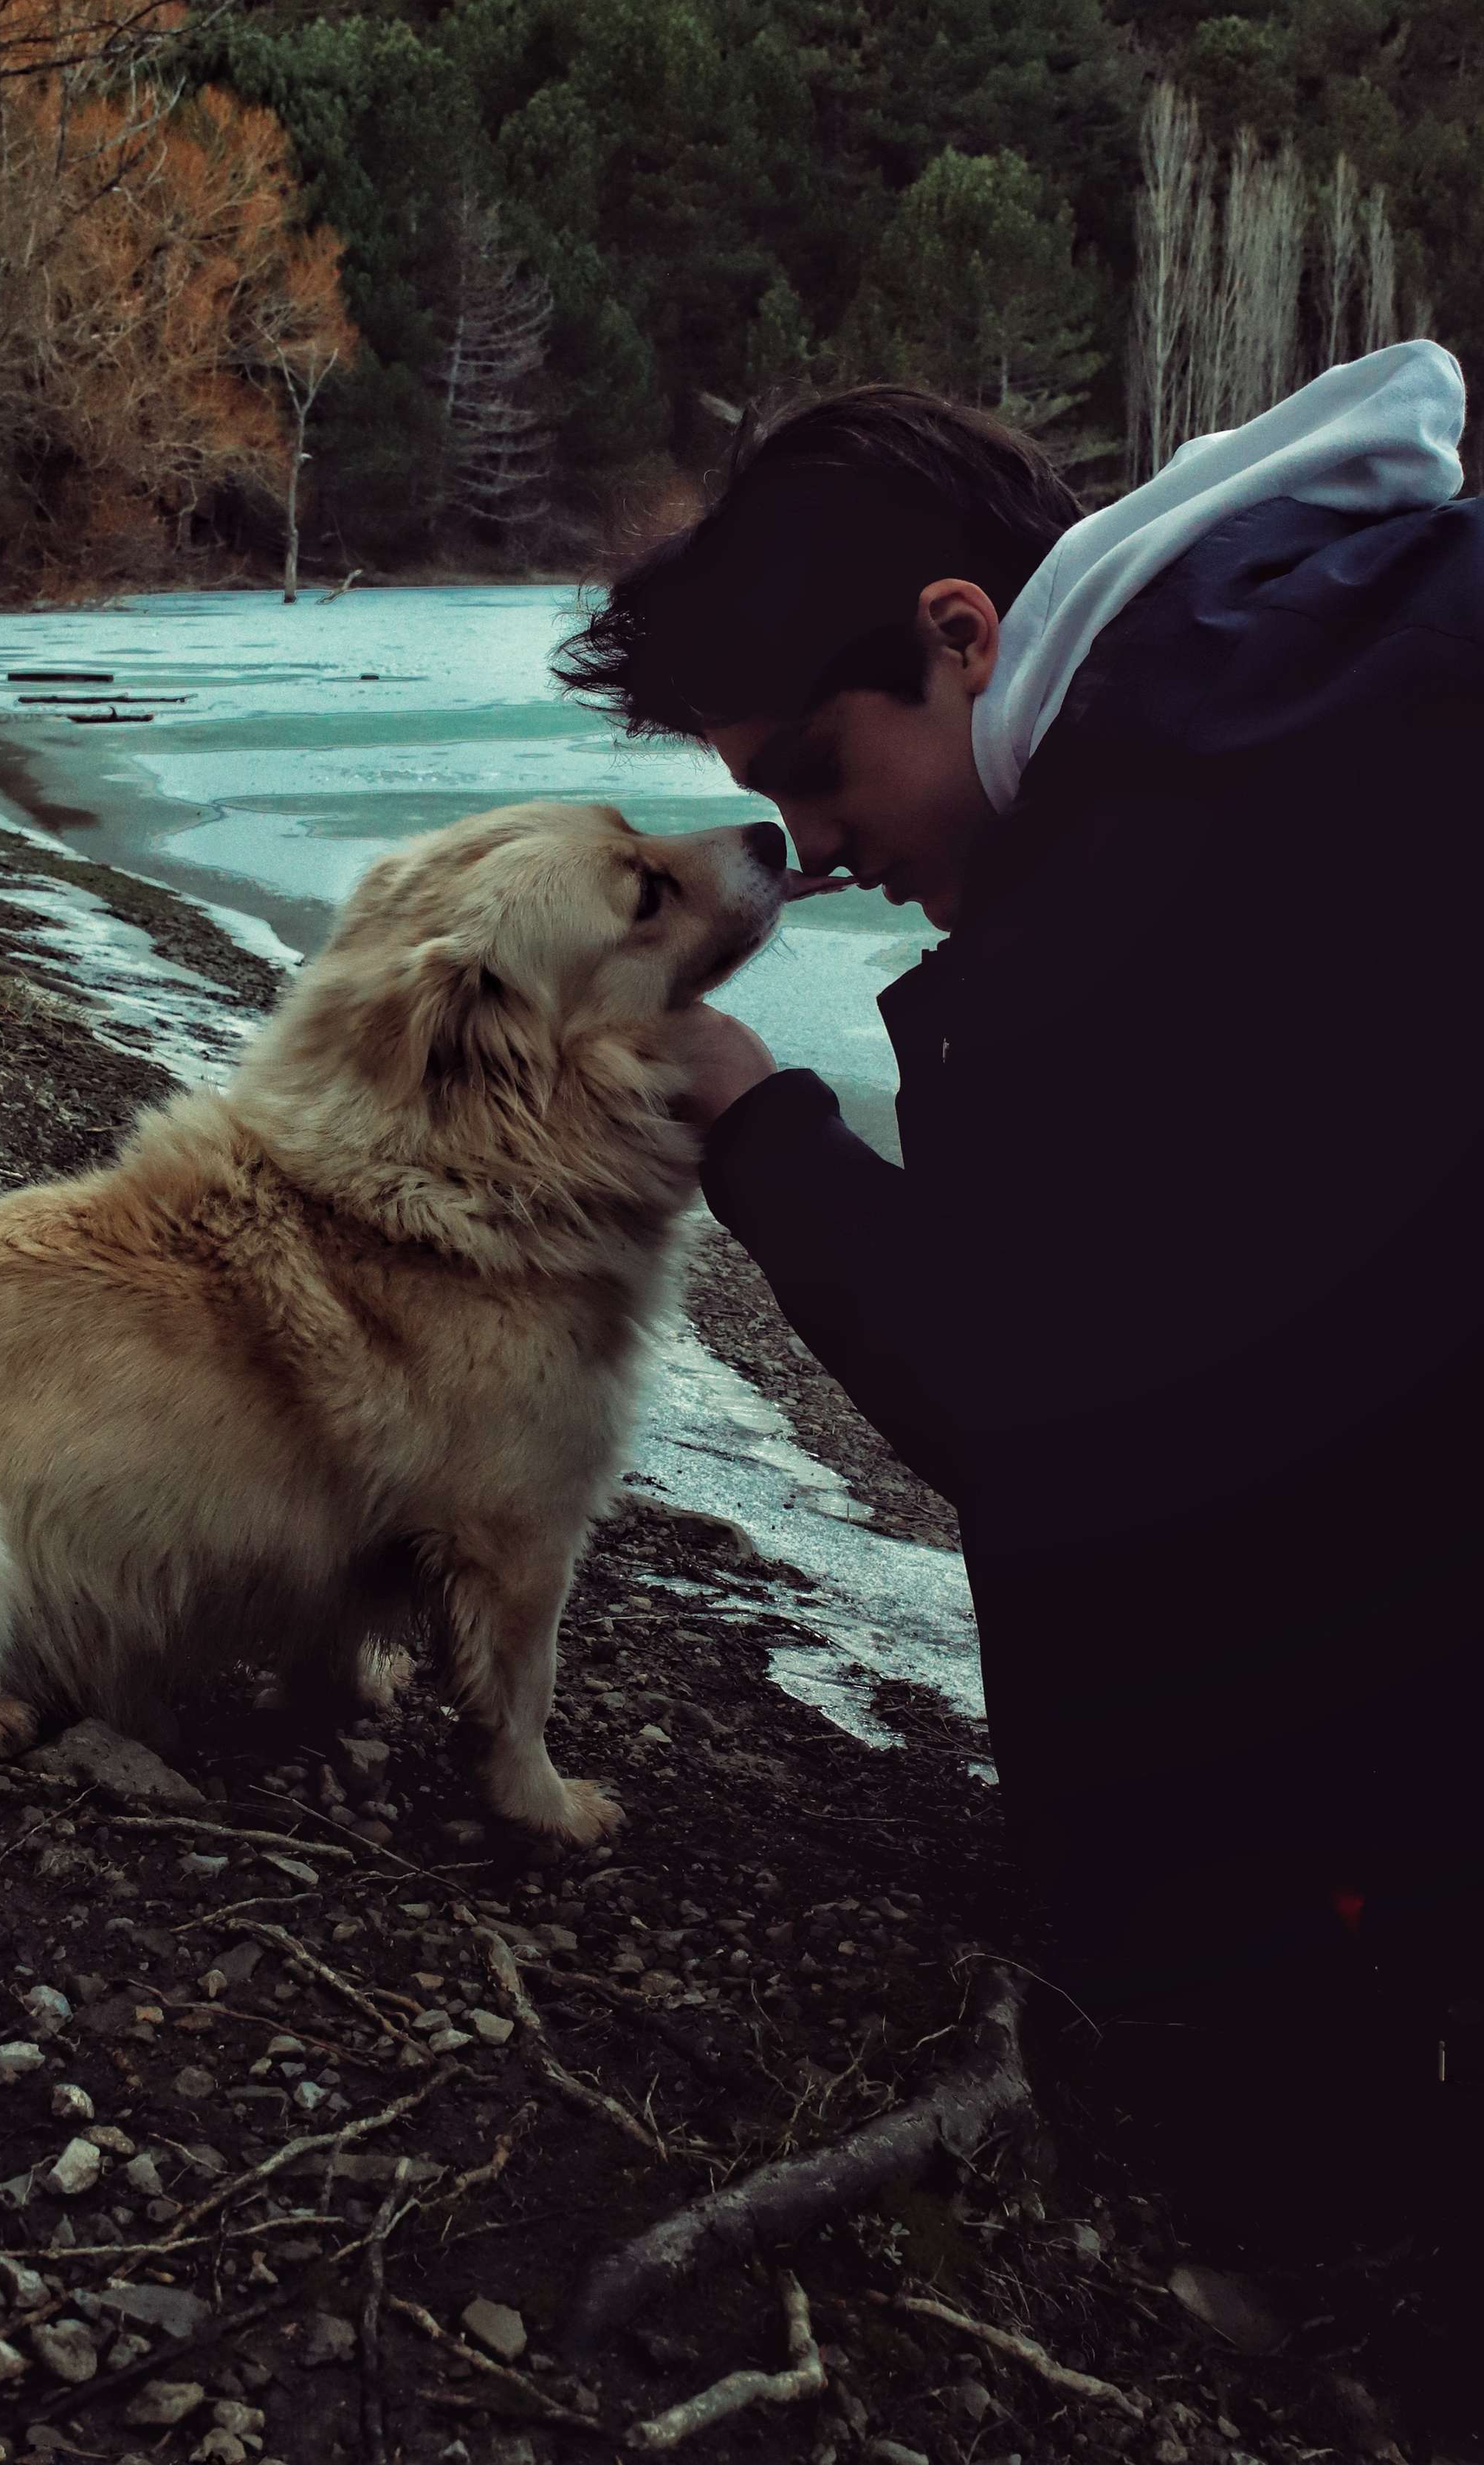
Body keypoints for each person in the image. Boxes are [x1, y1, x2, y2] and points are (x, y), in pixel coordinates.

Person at [555, 346, 1484, 2241]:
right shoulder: (1316, 679)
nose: (811, 851)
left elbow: (1055, 1415)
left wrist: (759, 1125)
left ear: (959, 632)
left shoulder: (1168, 839)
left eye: (813, 770)